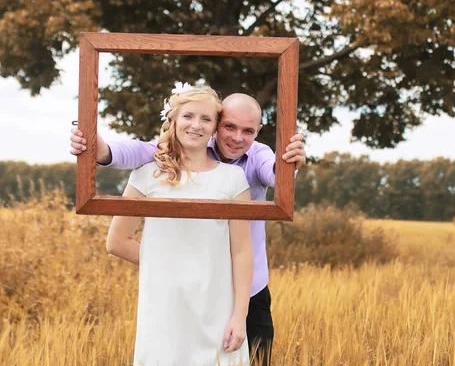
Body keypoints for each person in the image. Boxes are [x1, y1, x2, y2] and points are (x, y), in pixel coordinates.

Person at [70, 86, 306, 366]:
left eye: (248, 131)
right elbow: (135, 152)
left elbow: (275, 174)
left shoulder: (247, 165)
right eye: (229, 126)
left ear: (257, 131)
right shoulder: (159, 165)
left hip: (244, 293)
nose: (237, 137)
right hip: (172, 298)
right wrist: (98, 149)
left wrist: (289, 164)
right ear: (218, 126)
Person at [106, 85, 252, 365]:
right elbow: (117, 242)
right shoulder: (147, 175)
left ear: (215, 128)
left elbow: (242, 252)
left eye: (206, 119)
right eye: (188, 116)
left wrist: (239, 315)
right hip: (164, 306)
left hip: (218, 308)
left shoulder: (233, 179)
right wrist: (171, 262)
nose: (196, 125)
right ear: (173, 120)